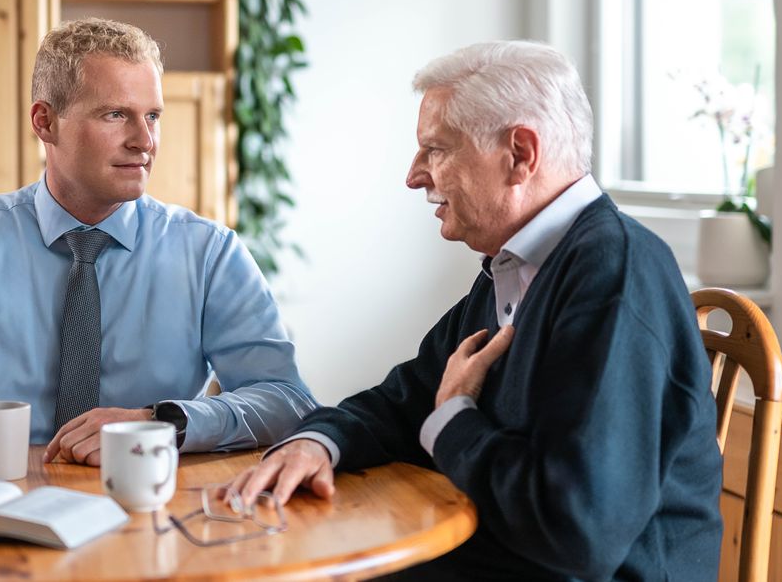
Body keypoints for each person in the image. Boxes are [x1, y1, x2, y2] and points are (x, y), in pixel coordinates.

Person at [230, 41, 722, 580]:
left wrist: (455, 420)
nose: (415, 176)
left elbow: (579, 532)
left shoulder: (613, 272)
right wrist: (317, 442)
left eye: (436, 150)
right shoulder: (518, 265)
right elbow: (409, 397)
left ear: (520, 154)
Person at [0, 18, 317, 477]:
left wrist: (161, 422)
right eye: (116, 115)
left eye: (152, 116)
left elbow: (287, 401)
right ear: (45, 122)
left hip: (151, 507)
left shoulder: (210, 254)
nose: (144, 141)